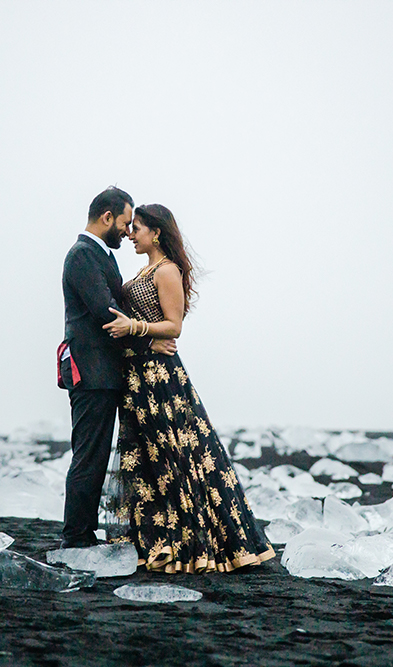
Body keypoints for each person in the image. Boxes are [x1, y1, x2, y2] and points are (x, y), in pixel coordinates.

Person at [102, 204, 276, 573]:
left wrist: (136, 330)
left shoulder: (167, 270)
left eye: (138, 228)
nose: (131, 234)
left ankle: (195, 545)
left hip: (160, 377)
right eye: (130, 228)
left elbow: (174, 326)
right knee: (146, 459)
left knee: (175, 456)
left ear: (157, 233)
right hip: (138, 376)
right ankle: (156, 542)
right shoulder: (147, 269)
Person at [58, 187, 176, 549]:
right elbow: (104, 311)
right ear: (107, 217)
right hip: (91, 373)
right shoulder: (82, 255)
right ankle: (76, 537)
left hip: (104, 373)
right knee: (89, 456)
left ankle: (83, 532)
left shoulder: (100, 255)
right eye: (125, 223)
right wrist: (150, 340)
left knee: (94, 454)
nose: (127, 232)